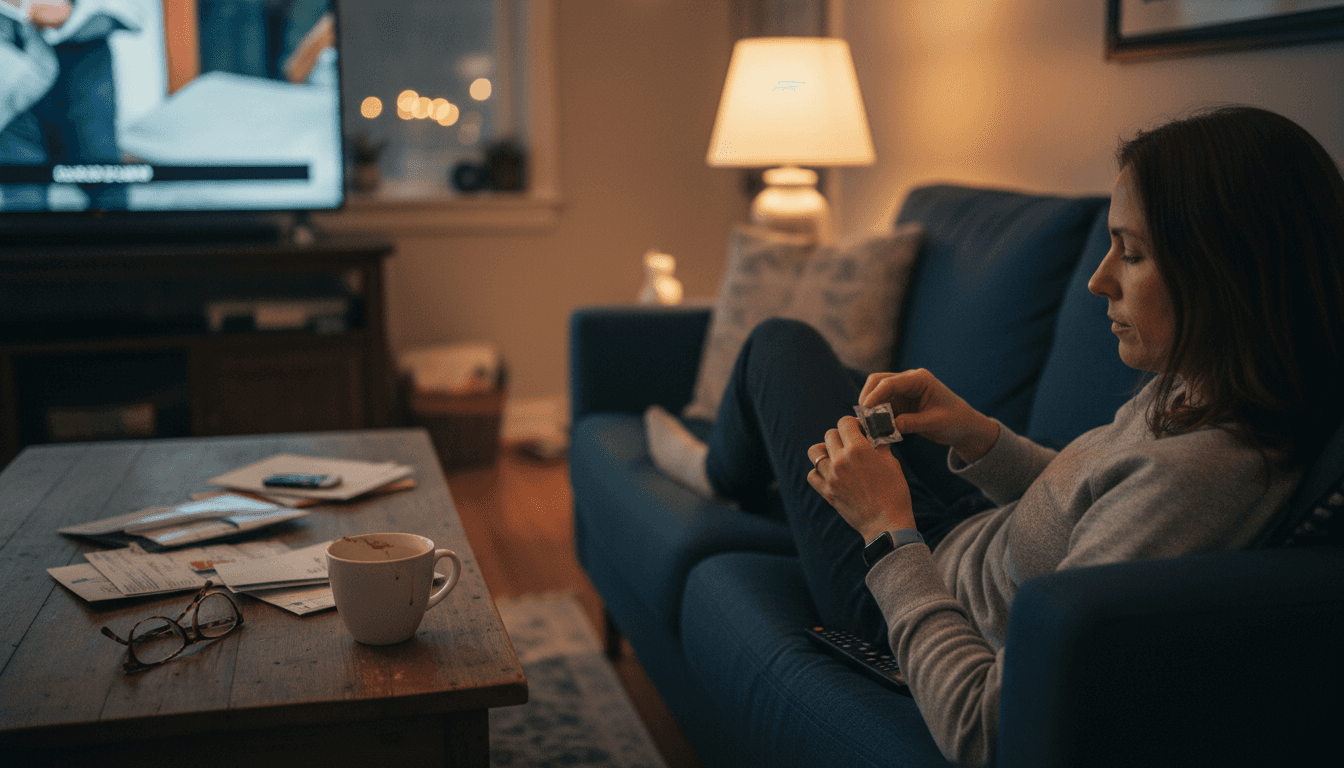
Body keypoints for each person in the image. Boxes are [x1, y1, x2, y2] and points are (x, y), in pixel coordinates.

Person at [644, 104, 1344, 767]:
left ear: (1229, 275)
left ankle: (718, 474)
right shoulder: (1201, 383)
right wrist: (978, 436)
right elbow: (1086, 497)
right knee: (847, 383)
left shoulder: (1195, 483)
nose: (1099, 281)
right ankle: (755, 469)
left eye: (1130, 254)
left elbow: (984, 729)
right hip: (973, 540)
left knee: (779, 347)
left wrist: (886, 526)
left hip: (899, 593)